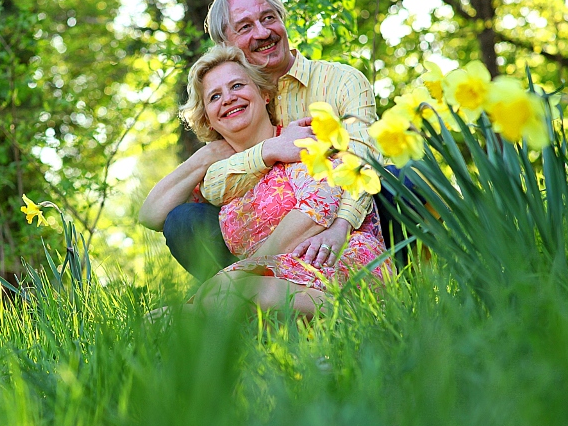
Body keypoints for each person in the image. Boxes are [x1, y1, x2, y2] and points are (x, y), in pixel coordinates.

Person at [140, 0, 381, 280]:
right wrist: (261, 151)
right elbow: (151, 214)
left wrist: (340, 227)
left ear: (263, 95)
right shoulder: (226, 130)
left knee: (403, 180)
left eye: (269, 18)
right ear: (226, 44)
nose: (263, 32)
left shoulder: (341, 82)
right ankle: (233, 308)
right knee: (183, 220)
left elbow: (361, 162)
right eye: (245, 27)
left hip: (345, 220)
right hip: (260, 250)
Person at [140, 45, 391, 316]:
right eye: (214, 96)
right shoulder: (221, 175)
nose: (228, 98)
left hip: (336, 264)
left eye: (237, 85)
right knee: (227, 295)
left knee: (233, 291)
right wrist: (206, 156)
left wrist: (241, 272)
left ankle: (351, 314)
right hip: (275, 281)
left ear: (264, 94)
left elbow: (319, 207)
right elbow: (150, 214)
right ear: (208, 120)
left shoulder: (299, 137)